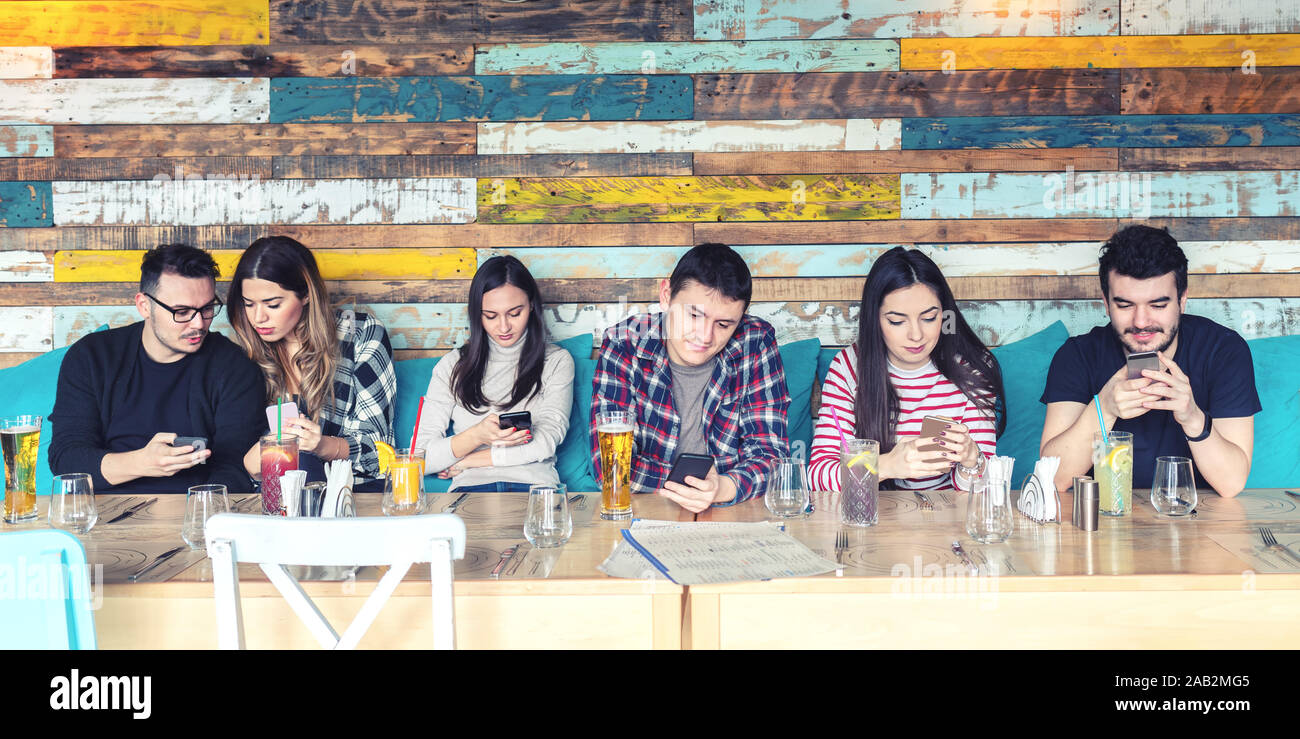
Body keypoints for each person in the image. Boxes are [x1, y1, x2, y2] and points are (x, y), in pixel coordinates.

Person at [1040, 225, 1259, 496]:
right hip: (1103, 524)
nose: (1141, 322)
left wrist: (1192, 417)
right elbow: (1053, 480)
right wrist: (1104, 408)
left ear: (1182, 300)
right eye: (1124, 305)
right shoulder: (1077, 356)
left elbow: (1231, 484)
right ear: (1106, 304)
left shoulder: (1223, 350)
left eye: (1157, 305)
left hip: (1197, 523)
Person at [590, 243, 790, 513]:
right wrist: (700, 484)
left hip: (728, 511)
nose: (705, 336)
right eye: (694, 315)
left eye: (723, 324)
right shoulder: (624, 343)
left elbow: (771, 456)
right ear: (666, 295)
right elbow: (611, 468)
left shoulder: (756, 341)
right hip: (647, 509)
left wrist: (721, 487)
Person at [49, 244, 264, 493]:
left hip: (196, 515)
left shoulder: (234, 366)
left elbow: (235, 467)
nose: (199, 324)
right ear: (144, 306)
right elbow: (66, 460)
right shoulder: (92, 357)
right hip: (103, 517)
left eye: (207, 308)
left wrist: (192, 517)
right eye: (181, 312)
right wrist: (142, 463)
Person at [809, 247, 1003, 492]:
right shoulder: (849, 366)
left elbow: (982, 490)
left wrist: (971, 460)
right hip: (875, 519)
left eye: (929, 318)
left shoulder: (972, 367)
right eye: (897, 321)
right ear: (874, 320)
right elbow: (818, 474)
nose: (916, 335)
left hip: (948, 520)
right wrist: (886, 465)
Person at [227, 236, 397, 491]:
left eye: (273, 304)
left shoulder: (360, 333)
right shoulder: (243, 352)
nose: (258, 317)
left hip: (352, 493)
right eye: (248, 304)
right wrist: (260, 457)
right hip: (275, 498)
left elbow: (379, 454)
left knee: (304, 459)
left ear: (306, 294)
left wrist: (321, 446)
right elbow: (236, 462)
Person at [414, 255, 574, 492]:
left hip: (536, 488)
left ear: (531, 305)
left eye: (514, 313)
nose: (503, 327)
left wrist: (468, 460)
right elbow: (419, 458)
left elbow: (545, 444)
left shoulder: (556, 362)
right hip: (470, 492)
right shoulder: (451, 366)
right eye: (490, 316)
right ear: (477, 315)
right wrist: (477, 436)